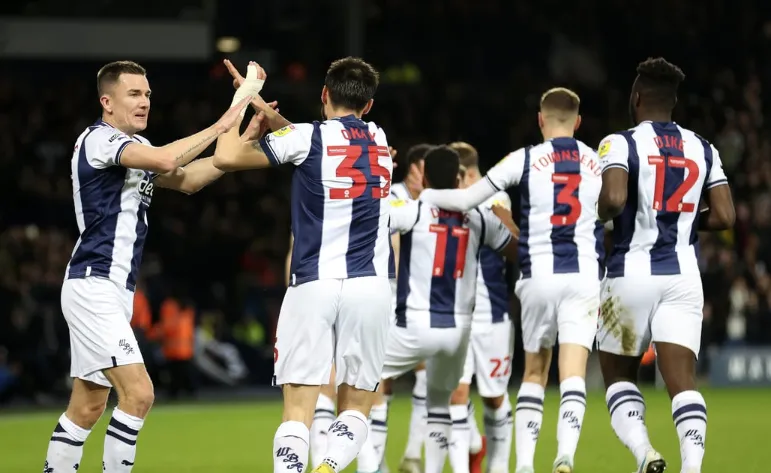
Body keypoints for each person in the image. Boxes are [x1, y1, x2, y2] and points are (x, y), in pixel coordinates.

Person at [43, 60, 255, 473]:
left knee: (87, 407)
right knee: (139, 394)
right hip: (94, 286)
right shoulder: (99, 139)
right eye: (134, 94)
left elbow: (189, 178)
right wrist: (220, 124)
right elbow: (162, 160)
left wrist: (238, 140)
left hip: (113, 290)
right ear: (107, 101)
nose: (145, 102)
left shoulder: (133, 152)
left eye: (148, 95)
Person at [214, 57, 394, 473]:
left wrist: (245, 100)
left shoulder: (307, 137)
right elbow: (313, 135)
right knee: (357, 408)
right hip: (370, 288)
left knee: (298, 410)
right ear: (368, 107)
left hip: (313, 282)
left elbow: (226, 156)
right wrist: (269, 110)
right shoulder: (380, 139)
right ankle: (329, 464)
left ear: (323, 95)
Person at [421, 88, 605, 473]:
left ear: (540, 119)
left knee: (535, 370)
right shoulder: (596, 160)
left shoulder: (524, 159)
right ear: (579, 122)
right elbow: (616, 206)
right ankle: (565, 456)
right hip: (584, 275)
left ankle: (523, 466)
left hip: (537, 274)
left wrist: (427, 198)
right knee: (572, 373)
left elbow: (468, 198)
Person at [596, 57, 735, 473]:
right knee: (682, 382)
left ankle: (645, 455)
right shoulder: (703, 147)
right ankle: (691, 467)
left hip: (630, 273)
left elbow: (616, 199)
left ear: (637, 99)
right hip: (683, 276)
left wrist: (598, 213)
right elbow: (727, 216)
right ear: (672, 104)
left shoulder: (619, 143)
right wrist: (686, 220)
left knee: (618, 376)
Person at [380, 146, 519, 473]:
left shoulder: (413, 210)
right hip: (460, 331)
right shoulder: (481, 217)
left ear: (425, 177)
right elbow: (519, 251)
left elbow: (370, 214)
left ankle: (365, 465)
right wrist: (510, 223)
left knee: (363, 381)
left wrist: (381, 175)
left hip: (416, 325)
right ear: (458, 181)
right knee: (443, 401)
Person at [358, 143, 434, 473]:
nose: (425, 178)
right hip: (388, 296)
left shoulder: (432, 200)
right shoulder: (396, 197)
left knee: (429, 375)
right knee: (379, 381)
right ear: (411, 170)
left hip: (422, 299)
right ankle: (375, 462)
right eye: (421, 171)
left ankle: (413, 455)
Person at [445, 142, 514, 473]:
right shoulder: (447, 200)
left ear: (469, 174)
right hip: (454, 314)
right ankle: (466, 461)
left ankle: (497, 466)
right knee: (455, 393)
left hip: (492, 313)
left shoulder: (496, 198)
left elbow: (513, 239)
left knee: (494, 397)